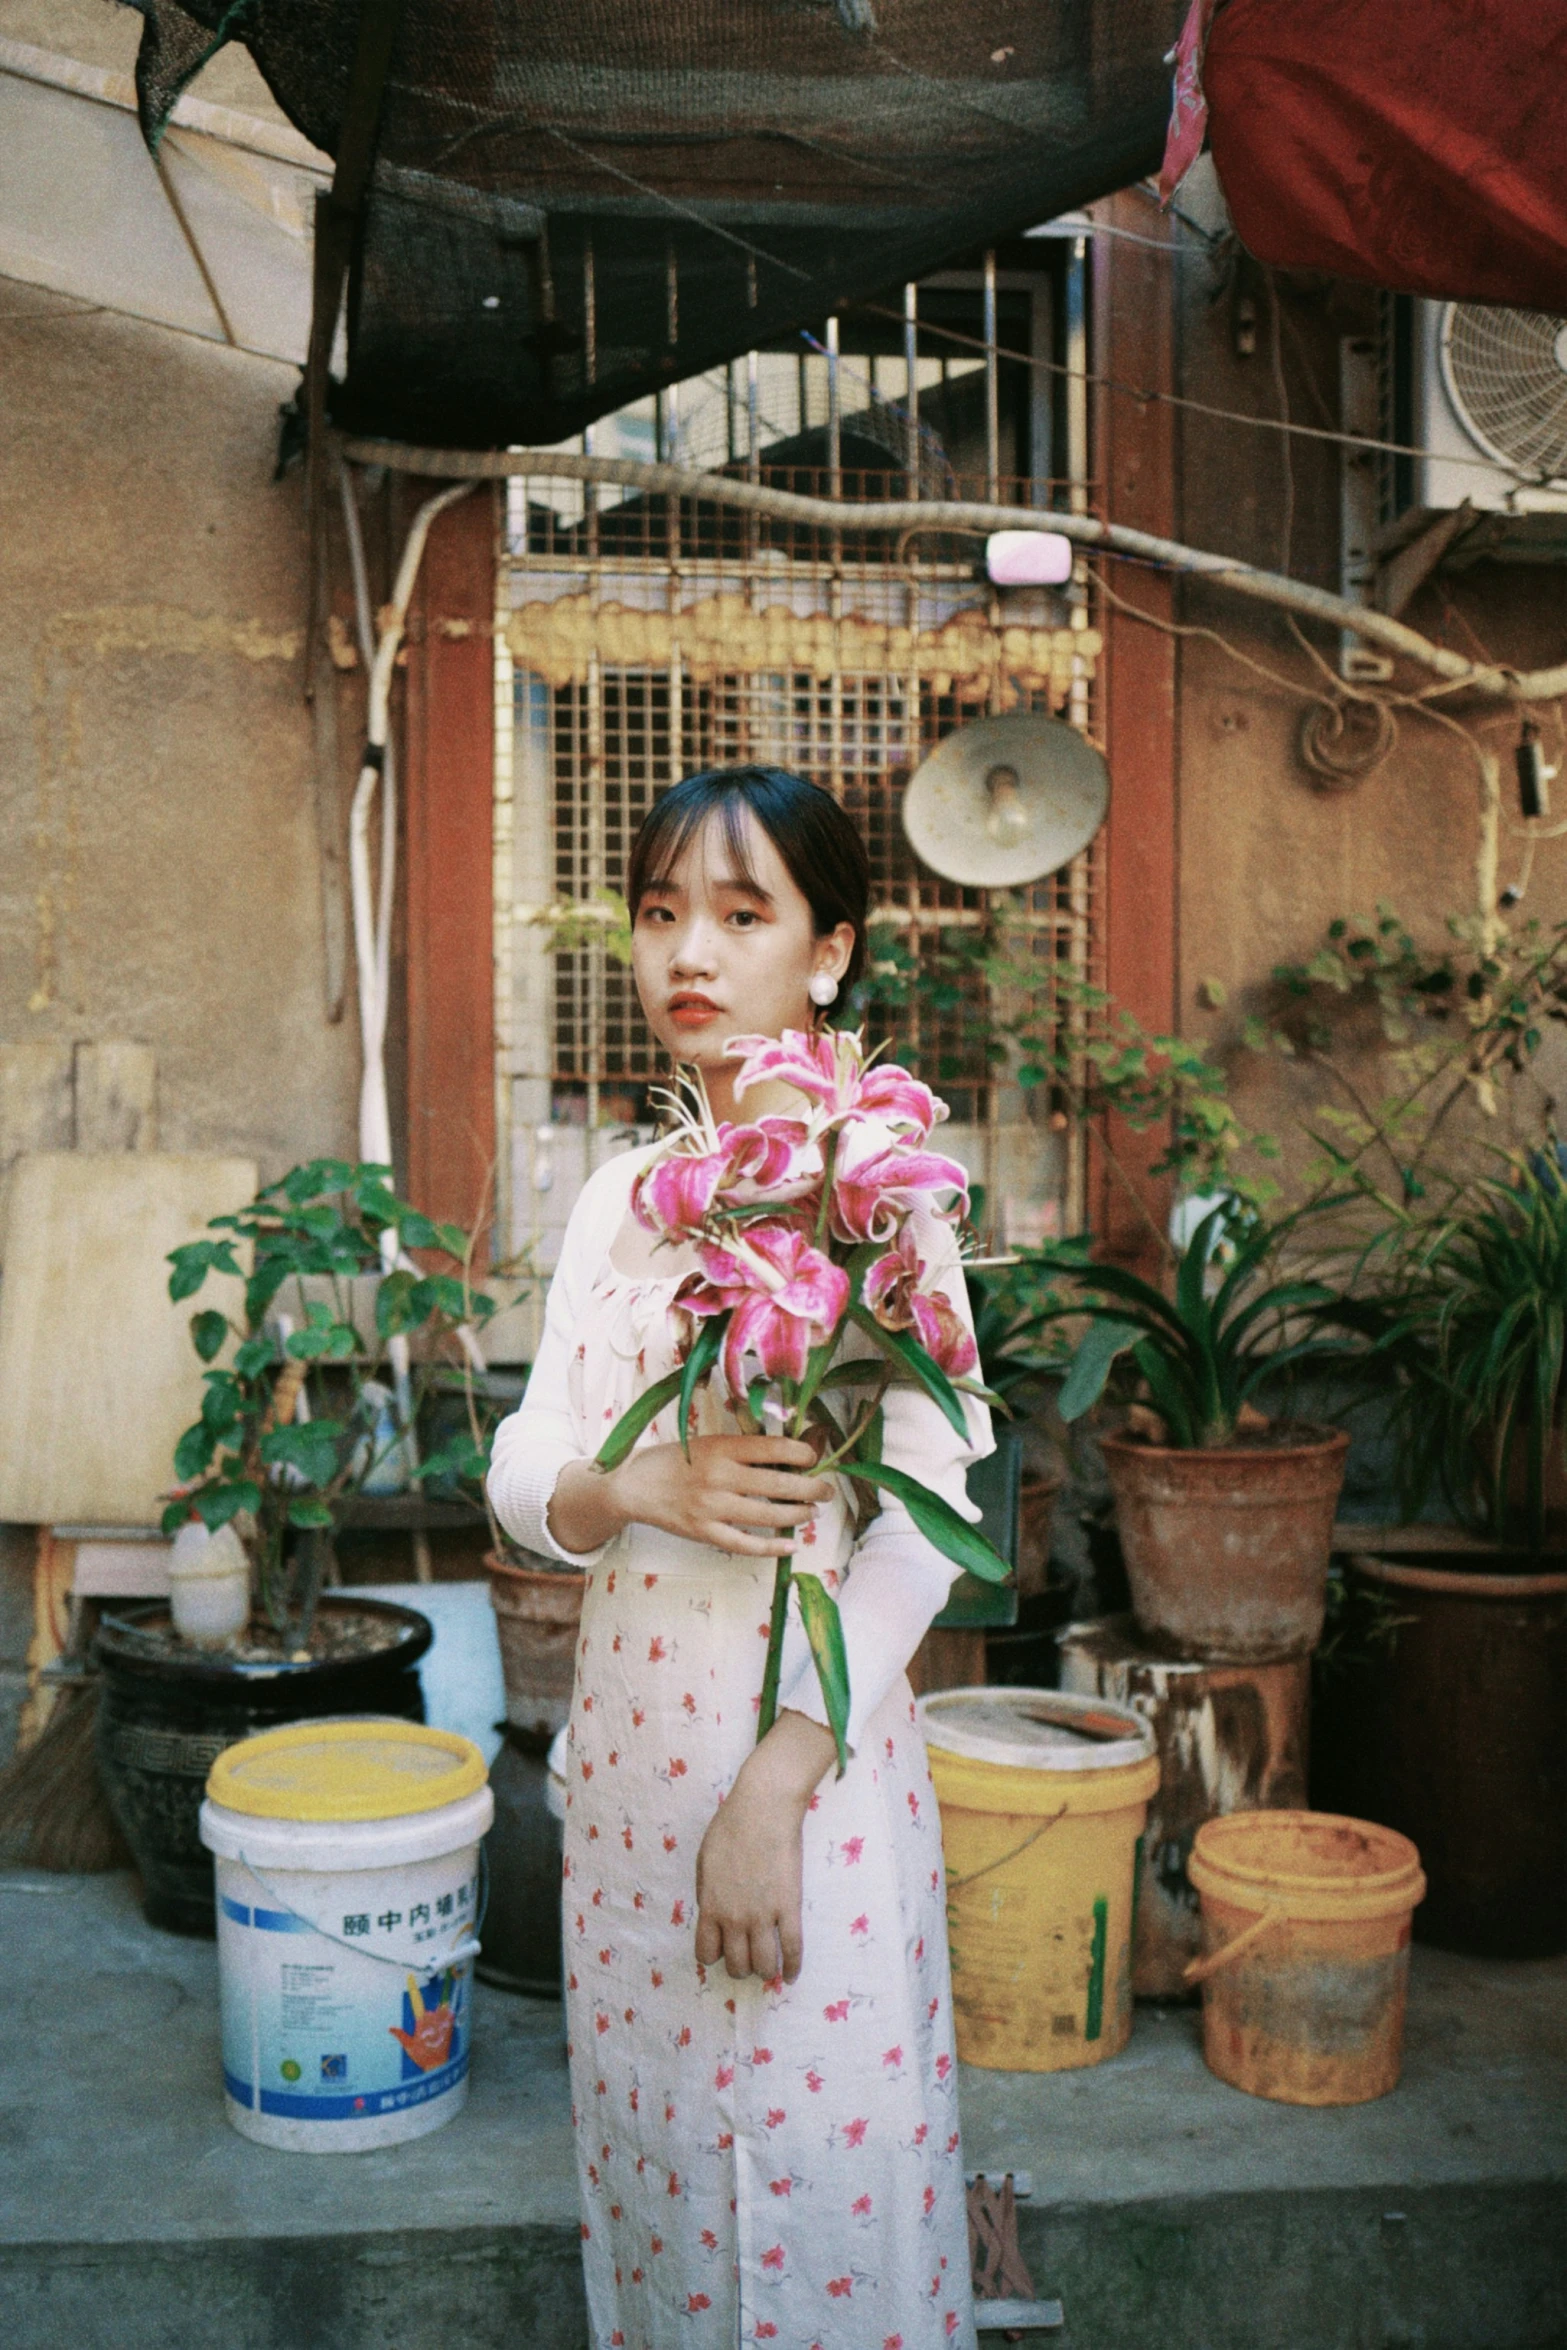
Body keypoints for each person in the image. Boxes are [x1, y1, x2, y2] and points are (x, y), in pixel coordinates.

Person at [488, 764, 991, 2350]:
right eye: (656, 913)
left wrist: (775, 1784)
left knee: (826, 2182)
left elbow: (930, 1511)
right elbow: (519, 1468)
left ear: (827, 951)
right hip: (628, 1775)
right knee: (659, 2178)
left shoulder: (880, 1193)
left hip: (806, 1775)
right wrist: (632, 1486)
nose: (684, 952)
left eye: (738, 911)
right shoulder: (625, 1200)